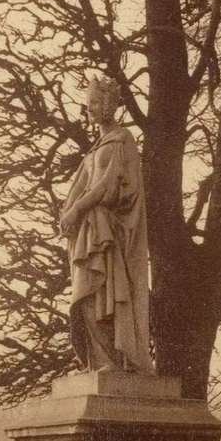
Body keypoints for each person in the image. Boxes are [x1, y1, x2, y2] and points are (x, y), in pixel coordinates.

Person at [59, 75, 152, 373]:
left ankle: (113, 359)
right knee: (87, 293)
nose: (90, 109)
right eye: (88, 104)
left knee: (103, 292)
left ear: (110, 104)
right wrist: (68, 213)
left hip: (109, 233)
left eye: (96, 102)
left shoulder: (122, 139)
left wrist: (76, 209)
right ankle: (99, 359)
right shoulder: (95, 148)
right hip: (90, 231)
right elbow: (82, 186)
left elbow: (108, 186)